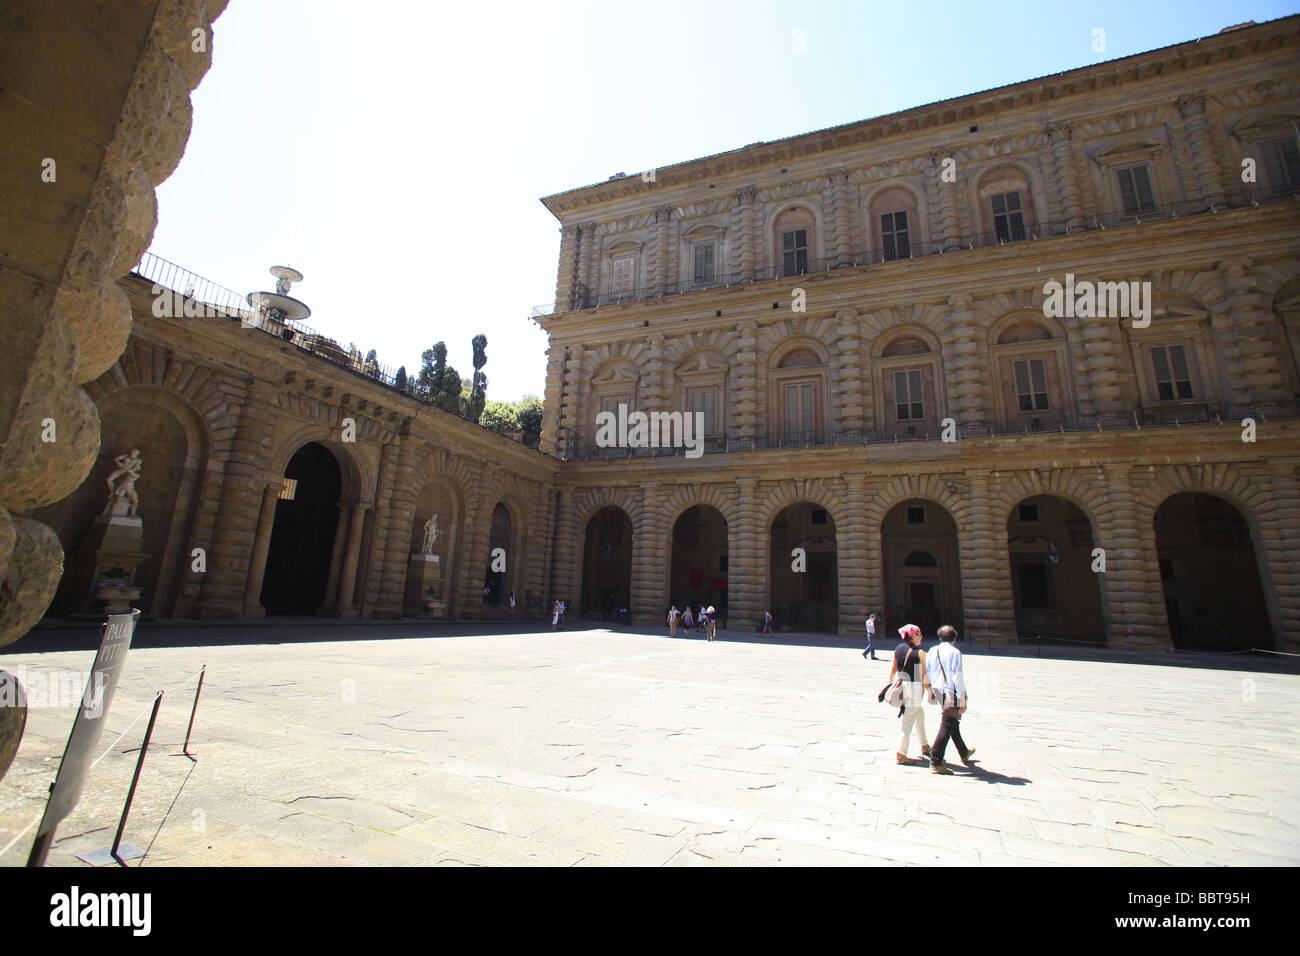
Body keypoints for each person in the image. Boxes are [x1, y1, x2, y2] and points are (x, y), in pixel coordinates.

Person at [927, 624, 976, 774]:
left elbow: (927, 671)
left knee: (952, 721)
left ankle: (963, 752)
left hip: (938, 690)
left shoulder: (932, 650)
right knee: (947, 724)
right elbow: (958, 677)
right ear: (954, 637)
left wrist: (930, 691)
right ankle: (936, 760)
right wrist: (962, 701)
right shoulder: (955, 652)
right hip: (951, 692)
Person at [889, 624, 932, 764]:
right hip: (915, 688)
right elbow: (924, 677)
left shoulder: (899, 649)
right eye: (919, 634)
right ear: (913, 636)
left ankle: (924, 745)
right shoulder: (920, 653)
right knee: (908, 720)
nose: (922, 637)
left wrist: (891, 685)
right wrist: (931, 692)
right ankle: (900, 753)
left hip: (902, 686)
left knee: (919, 714)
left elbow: (893, 669)